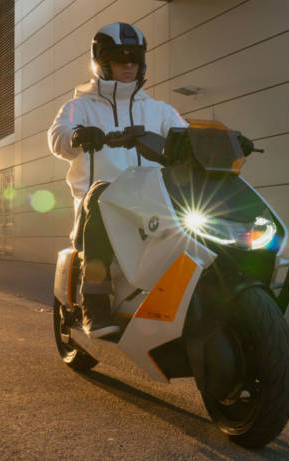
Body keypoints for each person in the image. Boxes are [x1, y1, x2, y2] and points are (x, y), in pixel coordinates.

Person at [48, 22, 188, 338]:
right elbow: (58, 136)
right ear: (102, 62)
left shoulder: (159, 110)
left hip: (151, 201)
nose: (128, 66)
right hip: (99, 205)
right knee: (102, 194)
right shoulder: (79, 106)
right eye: (119, 59)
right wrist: (77, 135)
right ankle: (94, 301)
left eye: (134, 60)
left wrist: (217, 140)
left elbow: (186, 133)